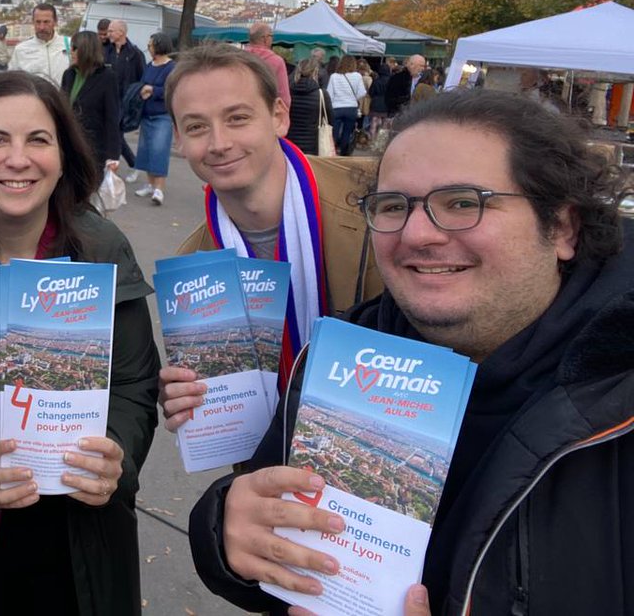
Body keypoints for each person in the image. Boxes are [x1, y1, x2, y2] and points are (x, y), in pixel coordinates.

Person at [188, 90, 633, 616]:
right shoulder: (343, 358)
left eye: (464, 202)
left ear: (562, 227)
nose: (418, 234)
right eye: (394, 206)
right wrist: (225, 529)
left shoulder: (615, 401)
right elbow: (271, 555)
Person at [0, 71, 161, 616]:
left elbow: (134, 385)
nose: (18, 159)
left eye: (38, 140)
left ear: (64, 155)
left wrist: (114, 451)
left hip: (77, 541)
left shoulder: (100, 247)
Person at [157, 44, 384, 436]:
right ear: (179, 139)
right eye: (196, 127)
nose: (218, 143)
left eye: (237, 118)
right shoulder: (193, 265)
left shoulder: (378, 195)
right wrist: (189, 399)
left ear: (279, 115)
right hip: (270, 478)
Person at [61, 30, 121, 173]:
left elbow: (112, 117)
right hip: (68, 145)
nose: (71, 52)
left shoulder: (107, 77)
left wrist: (113, 155)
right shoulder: (69, 75)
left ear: (86, 50)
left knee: (88, 190)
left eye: (75, 48)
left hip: (94, 148)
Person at [132, 32, 176, 205]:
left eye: (150, 45)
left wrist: (153, 90)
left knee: (159, 150)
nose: (148, 48)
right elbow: (143, 82)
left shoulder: (171, 67)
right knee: (146, 150)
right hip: (146, 113)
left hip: (162, 115)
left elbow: (171, 90)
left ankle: (159, 188)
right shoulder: (150, 64)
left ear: (159, 46)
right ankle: (150, 184)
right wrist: (142, 90)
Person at [104, 19, 147, 179]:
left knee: (115, 133)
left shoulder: (135, 54)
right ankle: (130, 164)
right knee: (114, 134)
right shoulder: (105, 51)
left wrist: (136, 99)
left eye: (111, 31)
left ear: (121, 32)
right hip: (107, 98)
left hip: (125, 101)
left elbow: (142, 78)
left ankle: (131, 165)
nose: (108, 34)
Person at [10, 3, 70, 85]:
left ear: (55, 22)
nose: (42, 27)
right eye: (38, 22)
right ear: (33, 22)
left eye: (46, 22)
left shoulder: (70, 45)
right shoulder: (21, 50)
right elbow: (12, 82)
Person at [284, 56, 331, 156]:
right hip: (313, 144)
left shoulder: (287, 92)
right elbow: (330, 119)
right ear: (315, 72)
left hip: (290, 142)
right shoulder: (322, 94)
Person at [327, 55, 368, 156]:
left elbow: (329, 94)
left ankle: (332, 151)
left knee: (334, 132)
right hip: (351, 108)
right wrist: (353, 98)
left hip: (336, 108)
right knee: (347, 132)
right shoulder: (357, 76)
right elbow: (362, 93)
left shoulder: (334, 76)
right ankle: (344, 153)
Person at [245, 22, 291, 109]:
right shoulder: (277, 61)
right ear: (265, 39)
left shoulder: (238, 58)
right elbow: (284, 96)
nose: (272, 38)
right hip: (267, 111)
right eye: (271, 35)